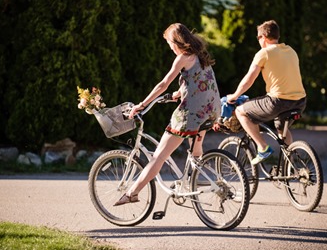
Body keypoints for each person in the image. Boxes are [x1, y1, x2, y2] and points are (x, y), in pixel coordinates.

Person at [114, 23, 221, 206]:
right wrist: (179, 93)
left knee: (159, 156)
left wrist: (142, 104)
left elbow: (163, 84)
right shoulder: (200, 55)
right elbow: (198, 79)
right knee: (196, 154)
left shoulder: (182, 57)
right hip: (211, 110)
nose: (170, 47)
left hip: (193, 114)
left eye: (170, 43)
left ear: (176, 41)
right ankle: (207, 182)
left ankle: (133, 192)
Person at [227, 20, 306, 165]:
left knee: (240, 111)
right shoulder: (291, 51)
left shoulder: (264, 53)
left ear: (263, 37)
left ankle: (262, 147)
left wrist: (234, 96)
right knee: (282, 127)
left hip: (277, 101)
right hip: (300, 101)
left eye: (258, 38)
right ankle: (290, 165)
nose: (258, 41)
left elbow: (249, 80)